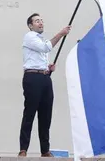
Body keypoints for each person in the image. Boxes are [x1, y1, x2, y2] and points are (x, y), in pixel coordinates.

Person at [18, 13, 70, 157]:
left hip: (44, 77)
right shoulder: (29, 37)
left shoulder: (42, 40)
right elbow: (46, 48)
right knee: (30, 113)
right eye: (37, 21)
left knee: (46, 114)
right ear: (30, 25)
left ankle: (45, 149)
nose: (40, 23)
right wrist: (61, 33)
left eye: (41, 21)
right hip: (32, 77)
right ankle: (23, 148)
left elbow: (43, 54)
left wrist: (49, 67)